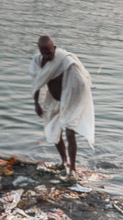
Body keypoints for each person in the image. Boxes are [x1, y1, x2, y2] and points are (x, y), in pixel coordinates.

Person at [30, 35, 95, 176]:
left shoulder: (66, 62)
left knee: (70, 132)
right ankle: (63, 161)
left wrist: (72, 105)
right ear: (39, 51)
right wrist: (36, 103)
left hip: (72, 100)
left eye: (49, 52)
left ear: (55, 47)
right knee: (54, 129)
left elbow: (82, 85)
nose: (47, 56)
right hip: (54, 101)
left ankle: (72, 168)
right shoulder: (37, 60)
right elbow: (37, 82)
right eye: (44, 53)